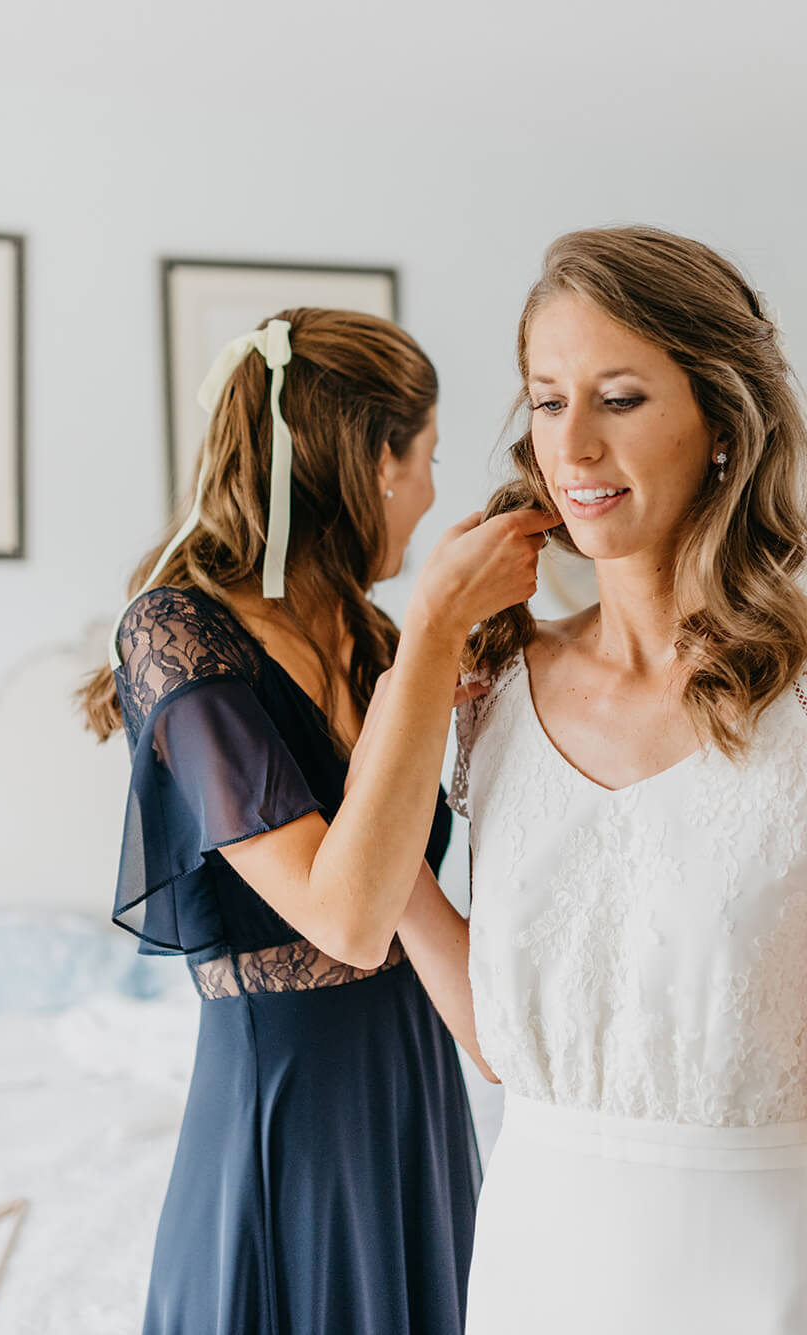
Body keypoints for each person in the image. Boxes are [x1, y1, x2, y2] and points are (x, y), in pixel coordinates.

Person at [381, 227, 807, 1335]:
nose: (573, 446)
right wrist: (369, 837)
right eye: (547, 401)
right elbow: (505, 1045)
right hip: (530, 1256)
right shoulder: (491, 685)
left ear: (722, 425)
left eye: (618, 398)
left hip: (749, 1274)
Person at [77, 308, 555, 1335]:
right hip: (283, 1112)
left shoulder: (377, 642)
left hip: (415, 1087)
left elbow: (409, 891)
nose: (429, 493)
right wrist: (435, 630)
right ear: (378, 463)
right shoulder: (177, 633)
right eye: (427, 458)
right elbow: (343, 918)